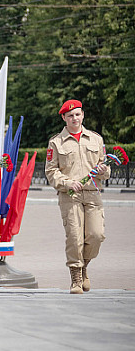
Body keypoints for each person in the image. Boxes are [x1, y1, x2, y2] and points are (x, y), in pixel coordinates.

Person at [45, 100, 109, 294]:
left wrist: (103, 170)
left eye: (78, 114)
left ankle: (84, 266)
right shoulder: (56, 142)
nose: (75, 118)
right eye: (70, 115)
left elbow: (105, 170)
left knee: (96, 235)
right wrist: (66, 183)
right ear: (64, 118)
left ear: (83, 115)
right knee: (74, 237)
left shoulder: (95, 139)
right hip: (70, 195)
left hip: (92, 194)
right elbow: (51, 171)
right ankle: (76, 278)